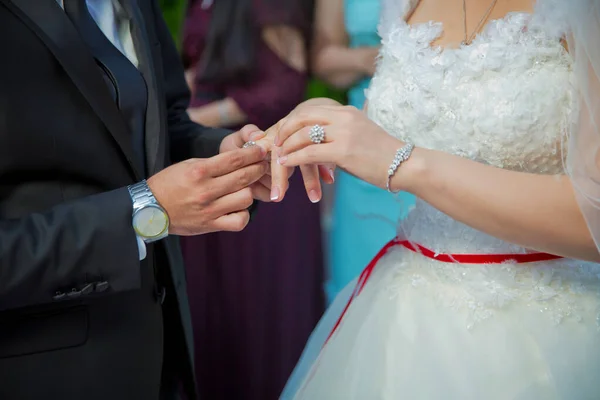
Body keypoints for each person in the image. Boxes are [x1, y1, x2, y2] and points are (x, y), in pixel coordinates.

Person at [267, 0, 600, 397]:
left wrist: (406, 164)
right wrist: (320, 118)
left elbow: (592, 211)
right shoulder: (404, 6)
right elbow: (388, 132)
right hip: (403, 316)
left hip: (544, 325)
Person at [0, 0, 315, 398]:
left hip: (158, 349)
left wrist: (227, 154)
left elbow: (163, 124)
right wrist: (147, 211)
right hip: (45, 368)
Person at [179, 1, 326, 398]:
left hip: (259, 169)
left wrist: (197, 117)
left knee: (260, 312)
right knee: (214, 312)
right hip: (209, 168)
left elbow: (288, 84)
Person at [311, 0, 416, 303]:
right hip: (366, 150)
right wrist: (370, 59)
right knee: (361, 290)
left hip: (443, 143)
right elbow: (322, 57)